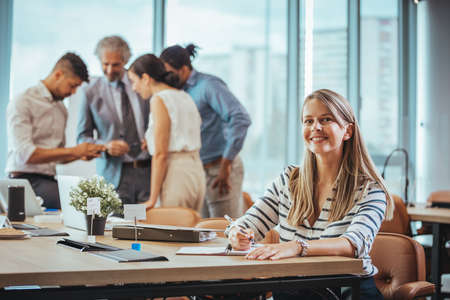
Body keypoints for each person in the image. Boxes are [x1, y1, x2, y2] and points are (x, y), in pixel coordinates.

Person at [226, 89, 394, 300]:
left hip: (346, 291)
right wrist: (236, 233)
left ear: (348, 131)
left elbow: (353, 244)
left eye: (326, 119)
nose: (316, 127)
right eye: (308, 121)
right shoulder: (289, 179)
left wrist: (298, 247)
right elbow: (249, 223)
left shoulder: (370, 189)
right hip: (293, 289)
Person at [160, 44, 251, 218]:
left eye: (170, 72)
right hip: (197, 170)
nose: (166, 78)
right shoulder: (176, 92)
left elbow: (240, 118)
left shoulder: (208, 86)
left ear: (185, 69)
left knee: (225, 230)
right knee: (200, 230)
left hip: (220, 169)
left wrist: (226, 164)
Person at [6, 52, 105, 209]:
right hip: (23, 181)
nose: (73, 93)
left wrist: (80, 154)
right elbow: (26, 154)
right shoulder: (23, 101)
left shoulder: (61, 109)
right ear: (58, 74)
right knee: (80, 204)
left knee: (92, 202)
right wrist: (75, 151)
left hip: (49, 180)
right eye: (72, 86)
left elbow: (56, 154)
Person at [77, 35, 151, 205]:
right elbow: (82, 137)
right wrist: (105, 146)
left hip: (147, 171)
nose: (110, 70)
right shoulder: (90, 91)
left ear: (126, 61)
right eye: (105, 64)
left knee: (145, 227)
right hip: (113, 174)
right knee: (115, 227)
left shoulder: (142, 85)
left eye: (116, 64)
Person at [128, 54, 205, 212]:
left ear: (145, 78)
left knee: (170, 232)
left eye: (133, 81)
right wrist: (150, 142)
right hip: (196, 172)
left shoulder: (159, 99)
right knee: (190, 230)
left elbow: (161, 154)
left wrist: (152, 198)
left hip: (176, 174)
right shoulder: (184, 96)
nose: (134, 88)